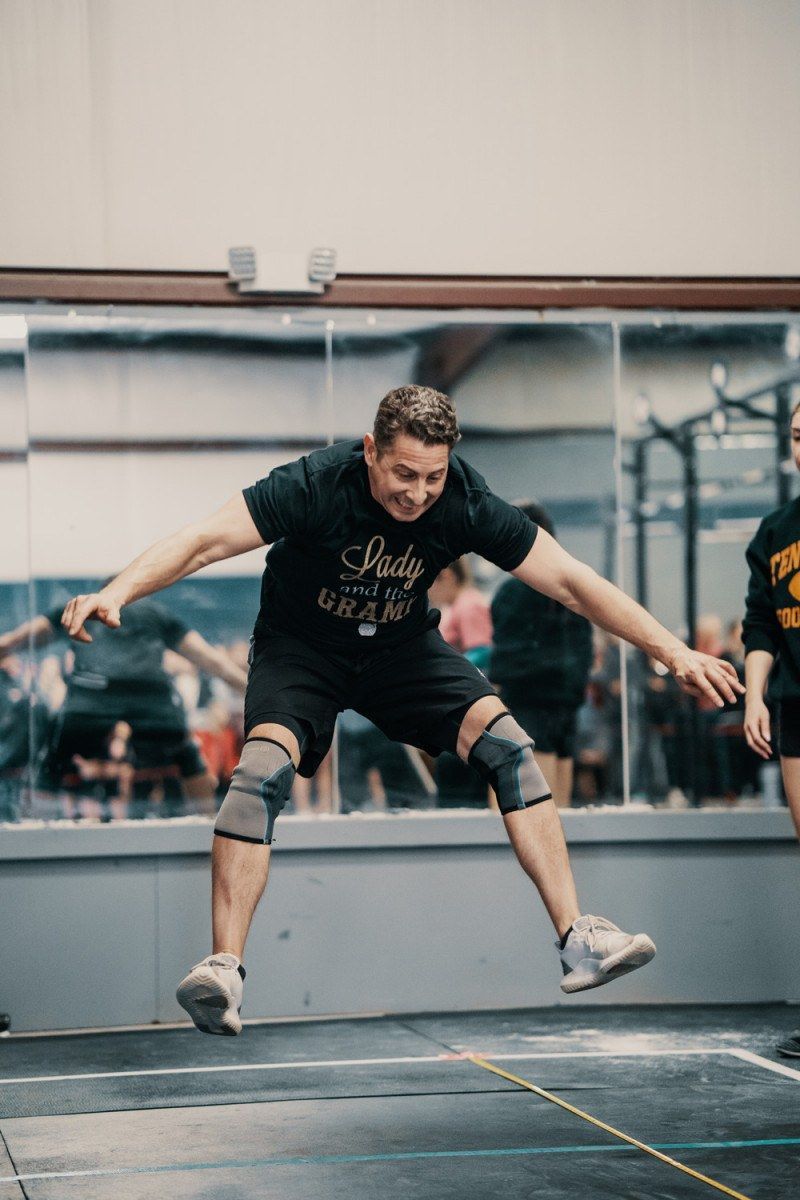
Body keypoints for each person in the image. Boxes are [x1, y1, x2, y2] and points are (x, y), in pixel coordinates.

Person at [59, 386, 742, 1036]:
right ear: (370, 451)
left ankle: (578, 940)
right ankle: (224, 969)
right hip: (302, 652)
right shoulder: (314, 484)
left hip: (400, 652)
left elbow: (569, 579)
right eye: (404, 474)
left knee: (509, 745)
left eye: (433, 478)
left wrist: (673, 653)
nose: (417, 495)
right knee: (260, 773)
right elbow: (205, 539)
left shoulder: (464, 500)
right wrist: (119, 589)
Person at [0, 594, 248, 816]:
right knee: (188, 755)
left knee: (52, 762)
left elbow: (16, 640)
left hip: (91, 699)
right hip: (150, 701)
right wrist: (251, 689)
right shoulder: (154, 612)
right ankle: (209, 827)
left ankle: (35, 828)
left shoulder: (81, 607)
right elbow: (212, 661)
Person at [742, 398, 800, 1057]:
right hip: (796, 708)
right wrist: (754, 697)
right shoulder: (776, 531)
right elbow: (760, 624)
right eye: (796, 436)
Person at [490, 502, 593, 808]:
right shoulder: (573, 586)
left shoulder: (514, 592)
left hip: (529, 710)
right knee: (556, 811)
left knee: (523, 812)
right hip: (563, 711)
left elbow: (507, 657)